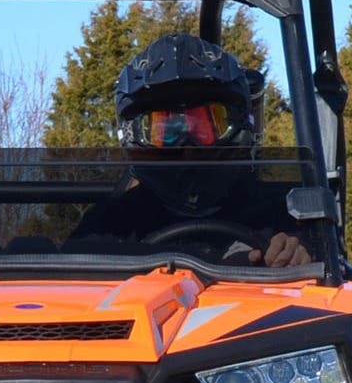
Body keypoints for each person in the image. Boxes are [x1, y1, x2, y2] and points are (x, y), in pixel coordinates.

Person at [69, 33, 315, 268]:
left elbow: (328, 279)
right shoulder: (111, 222)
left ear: (239, 128)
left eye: (208, 126)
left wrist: (298, 255)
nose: (187, 147)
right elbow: (73, 282)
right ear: (134, 138)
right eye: (164, 131)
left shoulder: (282, 213)